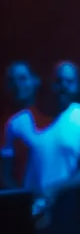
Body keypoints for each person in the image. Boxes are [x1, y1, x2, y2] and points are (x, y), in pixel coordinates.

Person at [7, 62, 80, 229]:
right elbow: (5, 171)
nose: (64, 86)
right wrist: (24, 197)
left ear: (78, 84)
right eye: (59, 80)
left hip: (72, 209)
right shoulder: (19, 122)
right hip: (27, 209)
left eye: (70, 82)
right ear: (49, 82)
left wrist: (55, 190)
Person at [1, 61, 49, 189]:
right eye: (12, 80)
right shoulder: (6, 123)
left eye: (23, 78)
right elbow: (4, 173)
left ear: (36, 80)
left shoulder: (52, 118)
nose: (17, 85)